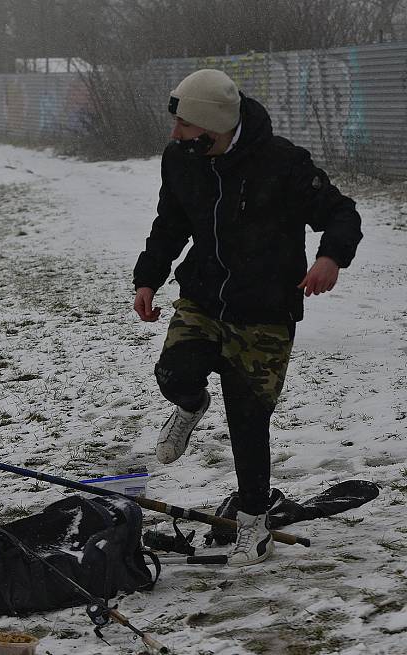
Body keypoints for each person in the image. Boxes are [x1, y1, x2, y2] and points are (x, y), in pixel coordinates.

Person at [133, 69, 362, 566]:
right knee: (174, 374)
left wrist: (330, 259)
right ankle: (190, 406)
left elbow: (342, 213)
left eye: (185, 126)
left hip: (265, 311)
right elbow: (168, 225)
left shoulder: (284, 163)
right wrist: (147, 279)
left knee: (247, 417)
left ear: (214, 126)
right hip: (202, 298)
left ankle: (254, 525)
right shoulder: (180, 161)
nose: (175, 135)